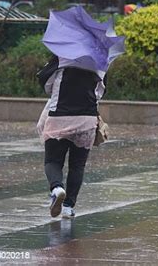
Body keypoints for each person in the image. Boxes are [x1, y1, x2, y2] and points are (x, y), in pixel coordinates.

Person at [37, 57, 106, 218]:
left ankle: (57, 188)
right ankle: (68, 207)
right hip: (86, 119)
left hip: (59, 116)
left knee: (53, 161)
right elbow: (100, 92)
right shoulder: (99, 61)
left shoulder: (62, 58)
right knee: (77, 165)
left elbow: (47, 85)